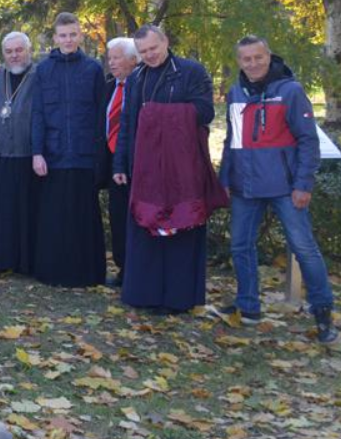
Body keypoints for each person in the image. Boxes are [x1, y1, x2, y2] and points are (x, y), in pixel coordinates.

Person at [216, 36, 336, 343]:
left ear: (269, 57)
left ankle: (323, 313)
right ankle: (249, 306)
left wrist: (303, 184)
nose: (253, 63)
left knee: (304, 249)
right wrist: (225, 180)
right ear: (239, 61)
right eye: (246, 59)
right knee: (241, 245)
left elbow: (308, 141)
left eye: (258, 57)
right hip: (245, 185)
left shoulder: (290, 91)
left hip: (285, 187)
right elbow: (232, 141)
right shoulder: (235, 93)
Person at [113, 24, 225, 314]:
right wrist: (120, 163)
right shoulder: (137, 77)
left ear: (166, 42)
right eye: (143, 51)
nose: (150, 55)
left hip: (183, 167)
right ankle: (145, 294)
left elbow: (205, 111)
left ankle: (178, 298)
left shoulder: (191, 71)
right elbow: (128, 122)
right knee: (145, 226)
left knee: (181, 226)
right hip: (145, 167)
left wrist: (156, 114)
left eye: (154, 48)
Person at [30, 13, 108, 288]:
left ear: (80, 36)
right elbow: (37, 113)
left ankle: (86, 274)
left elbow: (101, 115)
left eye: (73, 34)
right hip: (52, 155)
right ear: (55, 38)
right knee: (55, 216)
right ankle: (53, 272)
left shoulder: (93, 69)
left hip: (84, 155)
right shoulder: (43, 70)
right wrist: (37, 152)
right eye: (63, 35)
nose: (68, 40)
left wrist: (100, 156)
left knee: (83, 216)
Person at [0, 31, 39, 274]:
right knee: (2, 211)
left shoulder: (39, 76)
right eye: (9, 51)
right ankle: (2, 260)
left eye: (19, 50)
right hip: (1, 154)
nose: (14, 55)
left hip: (29, 155)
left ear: (29, 51)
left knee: (27, 212)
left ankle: (26, 263)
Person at [104, 36, 139, 286]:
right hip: (112, 163)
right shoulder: (109, 87)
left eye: (117, 58)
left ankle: (137, 269)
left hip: (137, 163)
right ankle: (123, 267)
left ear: (133, 60)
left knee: (136, 217)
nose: (112, 63)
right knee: (117, 217)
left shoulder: (142, 86)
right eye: (110, 58)